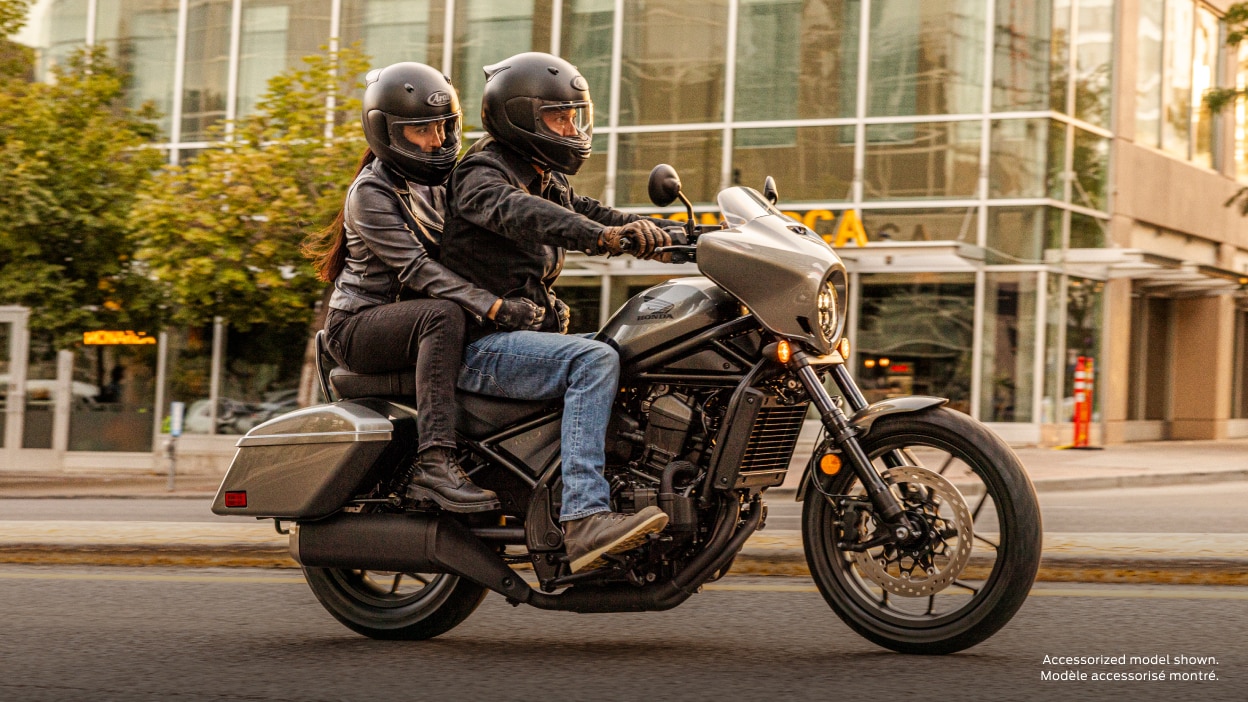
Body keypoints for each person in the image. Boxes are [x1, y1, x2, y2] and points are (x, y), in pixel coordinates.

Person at [441, 52, 675, 573]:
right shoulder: (480, 174)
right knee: (593, 361)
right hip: (478, 344)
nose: (572, 129)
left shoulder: (545, 177)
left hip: (517, 339)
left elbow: (594, 211)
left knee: (634, 348)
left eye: (575, 116)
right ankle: (584, 517)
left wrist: (689, 235)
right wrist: (604, 237)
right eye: (558, 118)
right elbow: (523, 212)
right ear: (519, 118)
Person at [302, 62, 545, 513]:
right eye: (421, 131)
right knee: (444, 314)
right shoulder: (371, 193)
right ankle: (435, 462)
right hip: (357, 327)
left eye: (443, 127)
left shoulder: (442, 183)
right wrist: (493, 306)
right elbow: (417, 270)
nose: (436, 141)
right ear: (386, 133)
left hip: (416, 321)